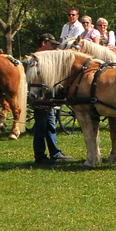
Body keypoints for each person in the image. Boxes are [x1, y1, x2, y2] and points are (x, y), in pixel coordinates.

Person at [30, 33, 66, 165]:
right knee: (41, 126)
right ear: (44, 43)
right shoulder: (36, 60)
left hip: (47, 95)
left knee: (50, 124)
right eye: (52, 45)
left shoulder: (44, 58)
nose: (53, 48)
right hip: (40, 97)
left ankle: (54, 153)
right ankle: (40, 155)